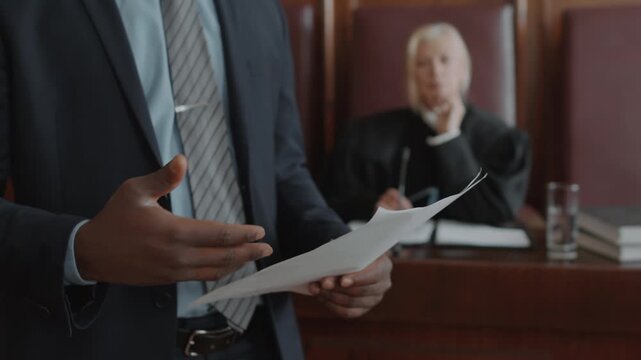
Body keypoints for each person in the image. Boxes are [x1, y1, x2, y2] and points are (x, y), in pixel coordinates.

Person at [0, 1, 392, 359]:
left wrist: (344, 249)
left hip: (262, 340)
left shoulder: (260, 9)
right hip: (93, 342)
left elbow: (282, 172)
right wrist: (80, 249)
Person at [323, 23, 531, 225]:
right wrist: (375, 205)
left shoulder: (501, 139)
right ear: (412, 75)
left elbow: (495, 211)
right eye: (423, 63)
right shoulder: (366, 135)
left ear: (463, 69)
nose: (435, 72)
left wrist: (449, 138)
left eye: (445, 60)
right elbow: (333, 199)